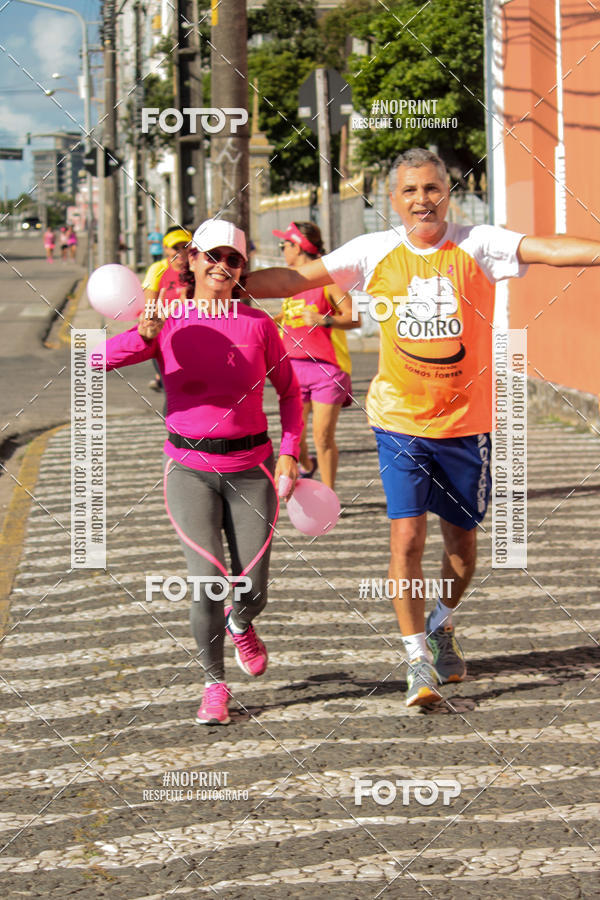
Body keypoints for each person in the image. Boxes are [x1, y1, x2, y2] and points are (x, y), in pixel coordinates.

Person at [243, 146, 600, 708]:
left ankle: (443, 623)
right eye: (410, 191)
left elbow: (546, 249)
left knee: (461, 548)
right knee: (406, 537)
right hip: (398, 420)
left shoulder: (477, 243)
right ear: (393, 200)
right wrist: (225, 280)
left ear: (447, 193)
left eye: (432, 188)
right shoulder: (373, 251)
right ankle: (416, 660)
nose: (421, 200)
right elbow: (292, 278)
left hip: (466, 424)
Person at [94, 219, 302, 725]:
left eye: (233, 260)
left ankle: (241, 621)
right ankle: (213, 685)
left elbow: (291, 392)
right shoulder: (167, 316)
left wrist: (291, 450)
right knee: (205, 581)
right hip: (189, 469)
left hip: (252, 468)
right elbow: (95, 360)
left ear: (241, 270)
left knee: (253, 587)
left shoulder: (258, 323)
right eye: (212, 256)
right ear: (191, 261)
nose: (221, 266)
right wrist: (139, 336)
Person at [272, 221, 360, 488]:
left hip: (326, 370)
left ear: (297, 247)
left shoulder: (327, 280)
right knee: (295, 437)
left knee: (322, 437)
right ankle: (308, 466)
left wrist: (325, 320)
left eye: (283, 245)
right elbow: (291, 316)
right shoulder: (291, 281)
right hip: (293, 370)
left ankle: (328, 495)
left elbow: (354, 317)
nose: (281, 250)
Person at [141, 226, 194, 392]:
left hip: (195, 336)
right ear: (165, 249)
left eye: (184, 246)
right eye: (175, 247)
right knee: (173, 391)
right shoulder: (158, 270)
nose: (180, 252)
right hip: (165, 339)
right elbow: (149, 310)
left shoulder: (199, 269)